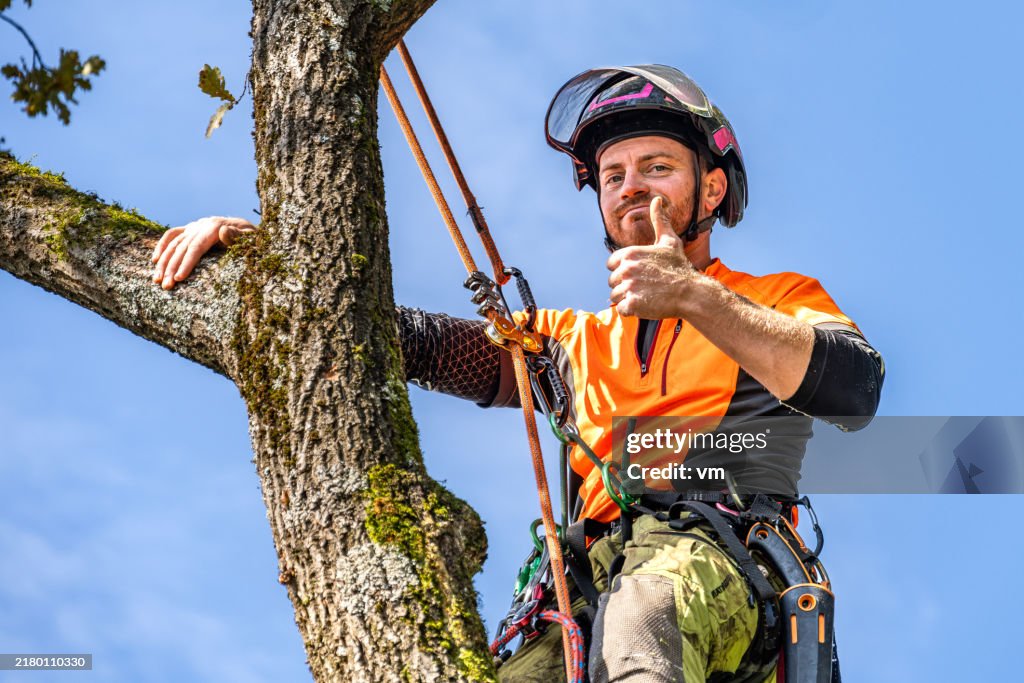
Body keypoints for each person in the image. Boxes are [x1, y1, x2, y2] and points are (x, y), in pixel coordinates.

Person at [151, 66, 883, 683]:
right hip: (587, 585)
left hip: (714, 562)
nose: (631, 187)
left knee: (643, 613)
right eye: (614, 175)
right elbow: (419, 343)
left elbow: (853, 390)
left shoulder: (776, 300)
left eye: (657, 168)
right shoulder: (571, 340)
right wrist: (277, 261)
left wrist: (694, 296)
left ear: (712, 191)